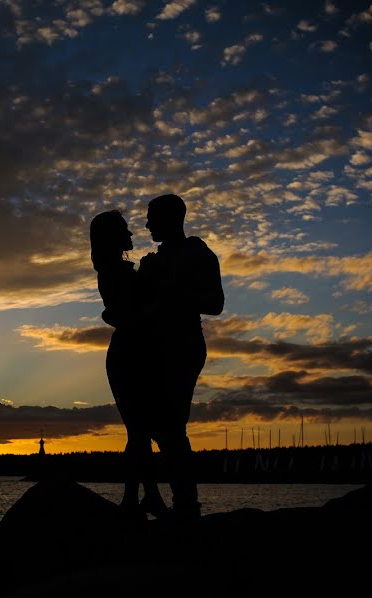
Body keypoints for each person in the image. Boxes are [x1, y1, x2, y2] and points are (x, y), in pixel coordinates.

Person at [138, 193, 225, 520]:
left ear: (171, 218)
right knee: (151, 426)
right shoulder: (154, 260)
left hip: (183, 346)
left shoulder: (198, 254)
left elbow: (215, 303)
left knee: (170, 425)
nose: (146, 224)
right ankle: (162, 498)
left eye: (151, 217)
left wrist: (169, 288)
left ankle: (187, 504)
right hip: (153, 349)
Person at [90, 210, 168, 519]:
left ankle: (140, 497)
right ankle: (139, 497)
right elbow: (126, 313)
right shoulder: (113, 272)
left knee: (139, 430)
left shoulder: (119, 269)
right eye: (125, 230)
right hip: (129, 354)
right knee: (138, 430)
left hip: (137, 351)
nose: (132, 235)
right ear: (111, 236)